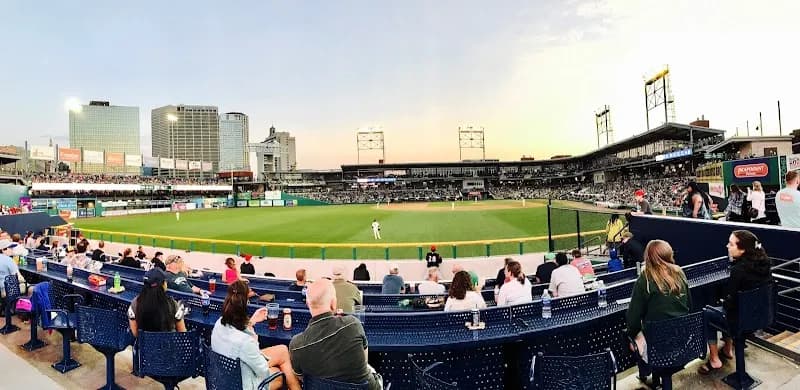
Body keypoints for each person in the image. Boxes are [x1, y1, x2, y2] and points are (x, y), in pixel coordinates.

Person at [698, 230, 773, 375]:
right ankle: (727, 349)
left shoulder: (738, 270)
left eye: (731, 244)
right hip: (761, 318)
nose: (727, 246)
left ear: (743, 249)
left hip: (741, 322)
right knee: (728, 308)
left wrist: (723, 302)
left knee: (708, 313)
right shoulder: (765, 265)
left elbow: (730, 304)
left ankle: (714, 359)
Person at [289, 278, 383, 389]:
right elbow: (364, 360)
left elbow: (301, 378)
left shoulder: (296, 345)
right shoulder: (352, 324)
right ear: (333, 303)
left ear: (308, 304)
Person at [211, 280, 301, 390]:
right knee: (278, 372)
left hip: (226, 375)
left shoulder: (219, 323)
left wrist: (251, 322)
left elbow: (235, 330)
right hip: (243, 383)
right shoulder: (246, 342)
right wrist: (254, 339)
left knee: (282, 350)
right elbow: (263, 371)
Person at [626, 240, 691, 381]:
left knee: (632, 335)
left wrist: (633, 334)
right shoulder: (680, 273)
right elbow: (689, 306)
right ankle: (651, 373)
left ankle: (646, 372)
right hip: (683, 341)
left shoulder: (645, 279)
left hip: (659, 345)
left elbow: (633, 319)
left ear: (648, 257)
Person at [128, 268, 187, 337]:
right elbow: (182, 332)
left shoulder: (135, 303)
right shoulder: (173, 304)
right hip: (168, 346)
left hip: (144, 346)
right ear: (163, 285)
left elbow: (135, 333)